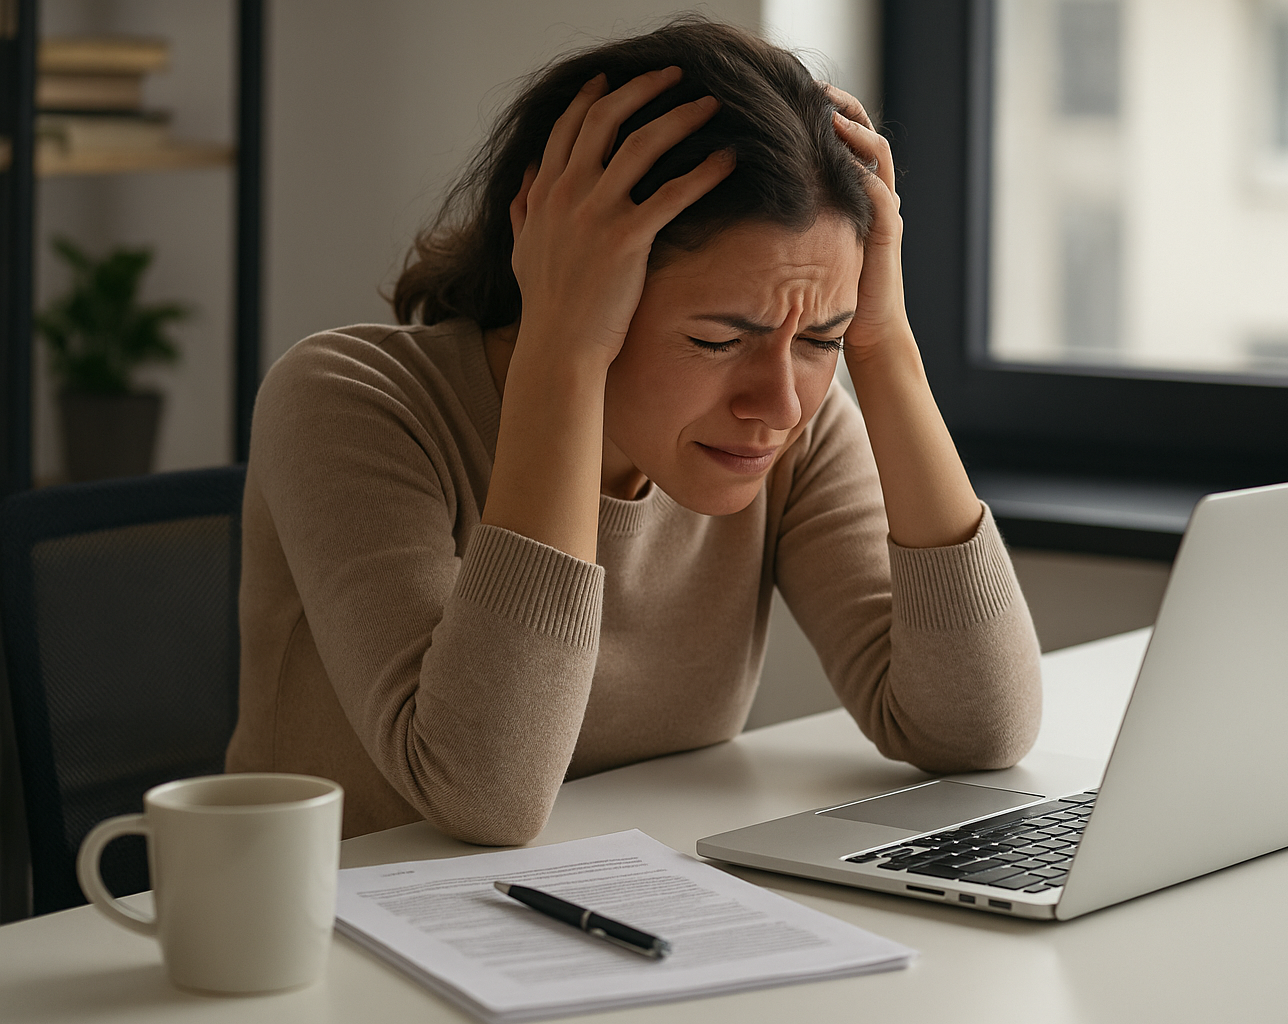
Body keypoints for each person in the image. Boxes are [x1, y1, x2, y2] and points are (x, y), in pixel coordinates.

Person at [226, 18, 1041, 843]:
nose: (779, 405)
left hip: (633, 899)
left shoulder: (798, 424)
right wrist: (563, 348)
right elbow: (480, 794)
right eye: (717, 341)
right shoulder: (350, 401)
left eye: (820, 339)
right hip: (343, 911)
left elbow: (976, 731)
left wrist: (884, 345)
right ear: (572, 271)